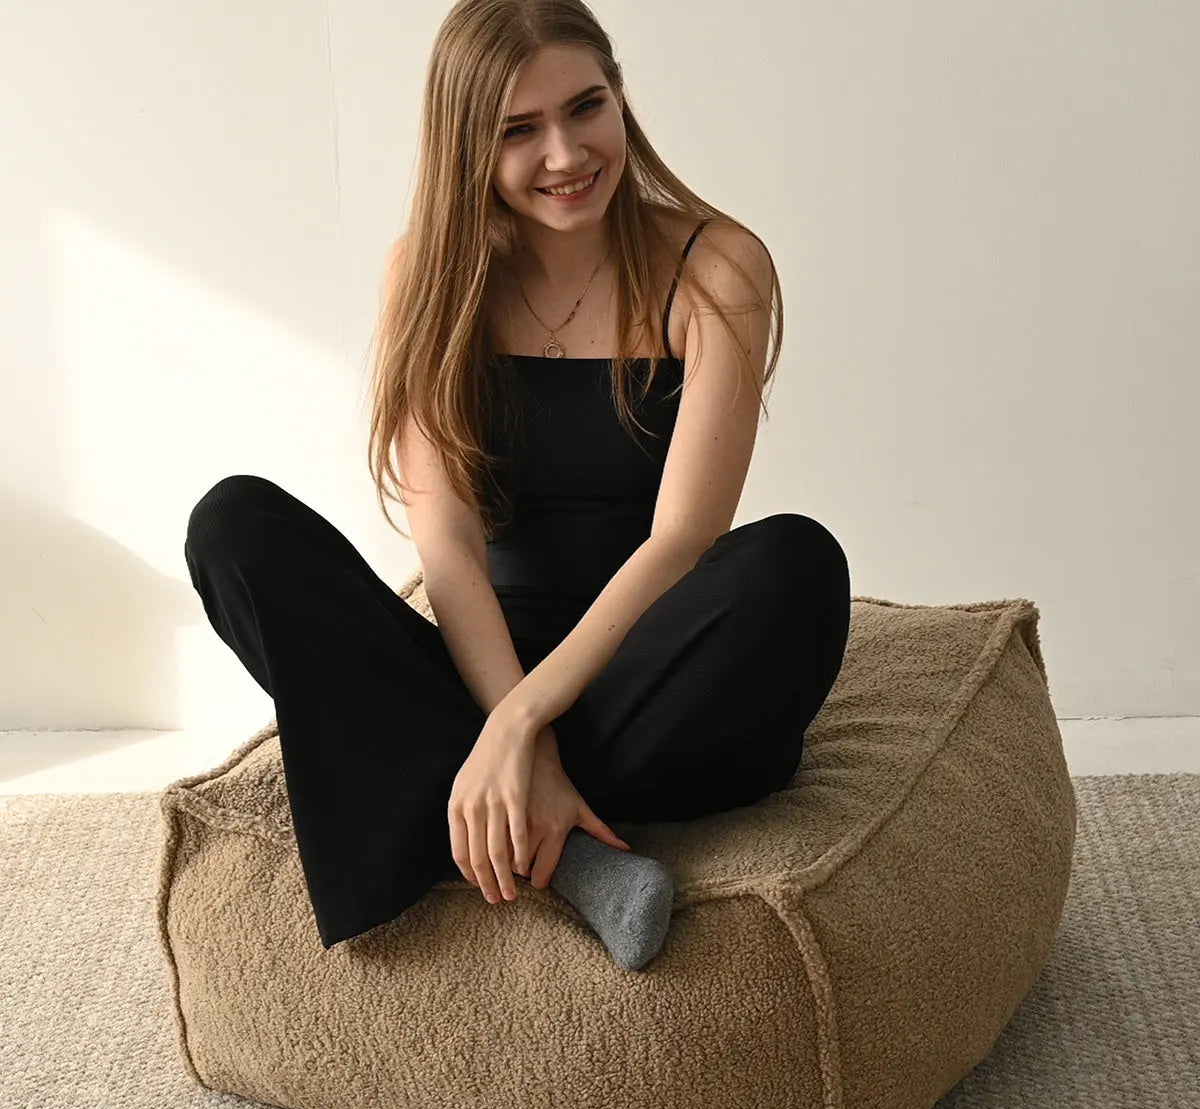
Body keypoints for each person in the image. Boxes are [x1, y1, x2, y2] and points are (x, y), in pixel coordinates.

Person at [183, 0, 851, 971]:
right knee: (233, 523)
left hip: (656, 678)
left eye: (587, 107)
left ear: (620, 97)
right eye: (518, 130)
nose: (566, 152)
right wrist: (509, 718)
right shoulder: (427, 272)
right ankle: (572, 852)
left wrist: (527, 724)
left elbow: (684, 539)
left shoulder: (716, 264)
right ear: (467, 144)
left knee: (796, 561)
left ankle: (450, 782)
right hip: (486, 661)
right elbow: (447, 541)